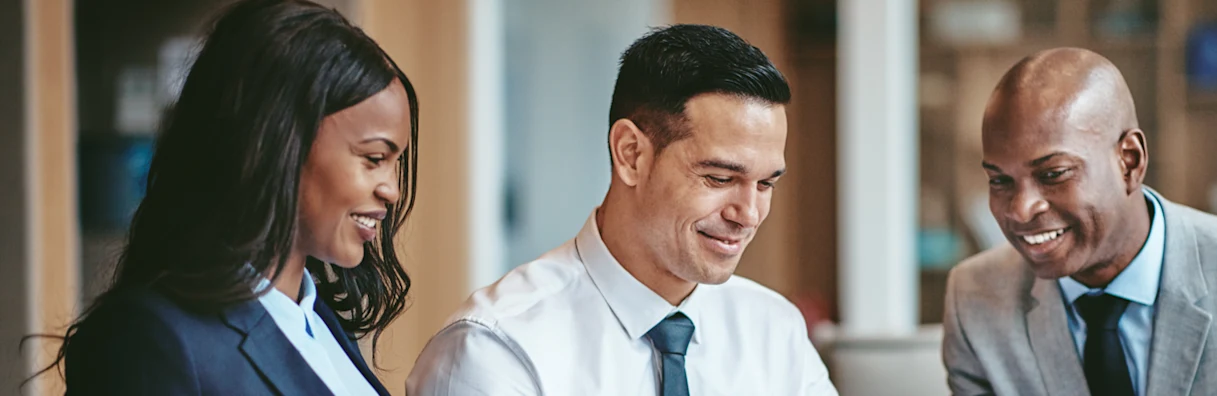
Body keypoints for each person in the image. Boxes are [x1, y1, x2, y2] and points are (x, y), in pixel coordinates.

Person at [406, 24, 836, 396]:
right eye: (720, 179)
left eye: (765, 184)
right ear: (631, 154)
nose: (748, 214)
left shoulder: (775, 331)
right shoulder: (498, 349)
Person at [50, 0, 419, 394]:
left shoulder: (319, 323)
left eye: (395, 163)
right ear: (279, 142)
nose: (392, 191)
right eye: (374, 158)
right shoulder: (151, 341)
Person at [941, 47, 1217, 396]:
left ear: (1130, 161)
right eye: (1000, 180)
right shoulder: (975, 299)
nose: (1020, 209)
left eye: (1053, 174)